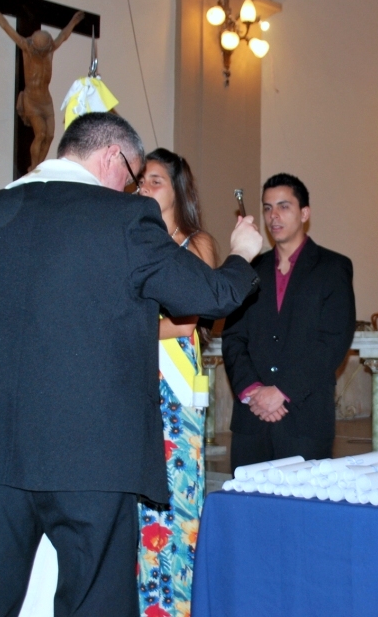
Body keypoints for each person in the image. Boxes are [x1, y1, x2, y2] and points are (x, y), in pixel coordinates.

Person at [0, 112, 262, 617]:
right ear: (114, 156)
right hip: (91, 456)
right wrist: (242, 255)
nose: (130, 190)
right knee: (93, 605)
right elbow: (210, 295)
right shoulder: (125, 218)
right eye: (131, 178)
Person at [223, 173, 356, 470]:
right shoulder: (248, 268)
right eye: (268, 208)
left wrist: (281, 391)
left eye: (284, 206)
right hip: (251, 419)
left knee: (302, 514)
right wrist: (252, 391)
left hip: (303, 418)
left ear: (304, 213)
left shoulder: (333, 267)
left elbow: (333, 341)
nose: (274, 216)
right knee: (250, 511)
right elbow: (233, 338)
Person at [135, 149, 217, 617]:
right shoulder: (132, 240)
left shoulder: (196, 243)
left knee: (175, 495)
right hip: (131, 378)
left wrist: (126, 323)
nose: (146, 187)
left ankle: (176, 604)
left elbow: (185, 321)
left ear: (177, 190)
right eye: (142, 180)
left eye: (157, 181)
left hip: (174, 386)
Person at [0, 0, 84, 170]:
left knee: (50, 135)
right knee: (41, 134)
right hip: (32, 99)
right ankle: (33, 167)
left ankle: (39, 166)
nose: (42, 52)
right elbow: (5, 25)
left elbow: (63, 35)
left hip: (46, 100)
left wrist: (73, 22)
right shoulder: (26, 47)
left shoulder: (49, 50)